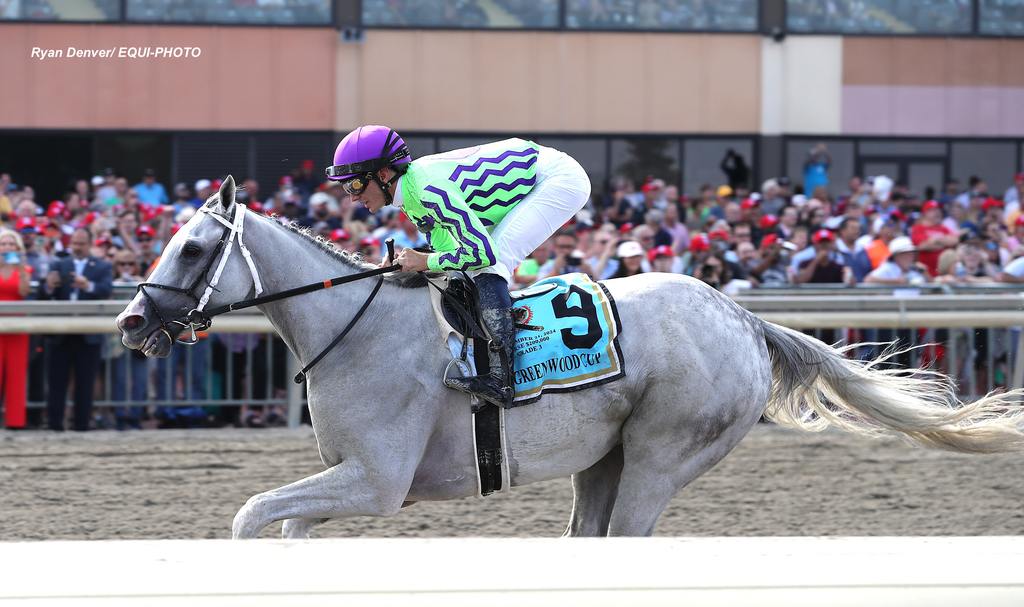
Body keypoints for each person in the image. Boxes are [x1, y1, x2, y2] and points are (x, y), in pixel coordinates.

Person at [326, 125, 590, 407]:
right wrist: (411, 262)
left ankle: (502, 379)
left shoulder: (427, 191)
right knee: (464, 270)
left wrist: (424, 260)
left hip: (558, 179)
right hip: (533, 174)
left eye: (354, 185)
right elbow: (448, 252)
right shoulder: (409, 195)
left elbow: (482, 253)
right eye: (346, 187)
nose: (352, 197)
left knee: (493, 264)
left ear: (383, 174)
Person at [39, 228, 113, 431]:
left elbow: (106, 290)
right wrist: (49, 286)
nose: (77, 247)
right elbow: (43, 295)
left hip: (88, 332)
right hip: (60, 332)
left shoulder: (102, 266)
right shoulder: (58, 264)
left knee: (85, 381)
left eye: (81, 243)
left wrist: (87, 285)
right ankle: (55, 424)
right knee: (56, 381)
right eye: (74, 243)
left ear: (90, 244)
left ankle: (81, 425)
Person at [0, 228, 31, 429]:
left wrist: (19, 268)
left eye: (11, 244)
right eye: (3, 244)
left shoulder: (25, 270)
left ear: (18, 248)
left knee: (17, 374)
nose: (7, 247)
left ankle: (15, 421)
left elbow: (24, 291)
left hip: (18, 325)